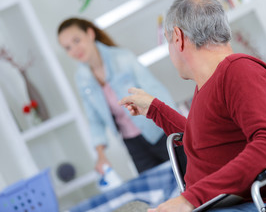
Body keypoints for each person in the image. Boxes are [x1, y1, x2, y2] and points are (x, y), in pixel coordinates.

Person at [120, 0, 266, 212]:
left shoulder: (240, 72)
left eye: (168, 43)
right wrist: (155, 109)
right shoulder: (209, 85)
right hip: (230, 203)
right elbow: (205, 143)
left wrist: (189, 200)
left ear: (178, 37)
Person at [57, 18, 176, 175]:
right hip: (133, 144)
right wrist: (100, 155)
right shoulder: (81, 78)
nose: (75, 49)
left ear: (90, 34)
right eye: (67, 47)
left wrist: (178, 127)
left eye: (77, 40)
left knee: (187, 178)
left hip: (159, 131)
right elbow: (94, 120)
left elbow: (156, 92)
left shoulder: (122, 58)